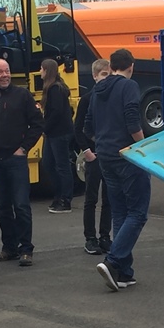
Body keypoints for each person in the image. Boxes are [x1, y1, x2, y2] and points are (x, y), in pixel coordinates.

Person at [84, 48, 150, 291]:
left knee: (120, 211)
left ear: (111, 67)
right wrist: (143, 146)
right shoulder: (129, 86)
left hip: (105, 156)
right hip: (127, 155)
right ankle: (112, 261)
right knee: (138, 213)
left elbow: (87, 127)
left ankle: (124, 272)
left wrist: (103, 142)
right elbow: (132, 119)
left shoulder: (97, 90)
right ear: (131, 66)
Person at [0, 58, 43, 267]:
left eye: (7, 71)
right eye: (0, 72)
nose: (5, 75)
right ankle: (9, 248)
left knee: (21, 205)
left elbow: (37, 123)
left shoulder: (22, 95)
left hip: (16, 159)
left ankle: (26, 249)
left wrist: (24, 148)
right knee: (2, 207)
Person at [74, 58, 112, 255]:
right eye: (104, 74)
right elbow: (78, 128)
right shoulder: (87, 99)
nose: (107, 78)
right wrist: (86, 151)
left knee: (109, 198)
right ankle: (90, 237)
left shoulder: (113, 98)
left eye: (110, 74)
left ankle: (105, 236)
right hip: (94, 155)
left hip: (109, 155)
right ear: (95, 76)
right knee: (91, 198)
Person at [40, 58, 74, 214]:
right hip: (55, 132)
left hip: (58, 133)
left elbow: (56, 112)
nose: (40, 72)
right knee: (49, 163)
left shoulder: (55, 89)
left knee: (61, 166)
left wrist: (45, 128)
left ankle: (65, 200)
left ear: (47, 70)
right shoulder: (57, 87)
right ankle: (59, 195)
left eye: (42, 69)